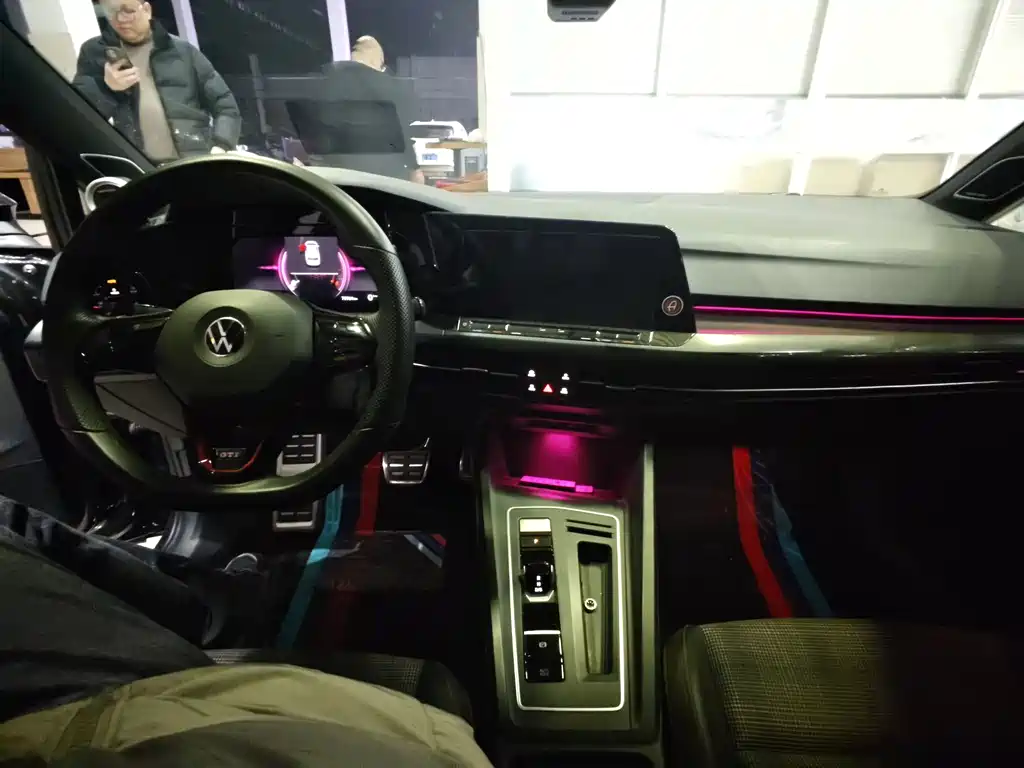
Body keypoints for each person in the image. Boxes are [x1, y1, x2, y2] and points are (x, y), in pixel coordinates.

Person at [0, 505, 492, 766]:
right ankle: (221, 607)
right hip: (119, 720)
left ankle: (220, 607)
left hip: (94, 724)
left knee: (17, 526)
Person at [72, 1, 241, 163]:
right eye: (112, 11)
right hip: (138, 167)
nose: (121, 19)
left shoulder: (184, 52)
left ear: (147, 10)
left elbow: (225, 105)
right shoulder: (96, 53)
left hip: (194, 161)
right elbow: (79, 116)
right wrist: (107, 88)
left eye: (128, 10)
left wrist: (221, 146)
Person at [291, 36, 422, 182]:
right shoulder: (389, 88)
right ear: (377, 62)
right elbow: (401, 133)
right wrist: (414, 168)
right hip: (384, 178)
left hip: (339, 177)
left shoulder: (324, 83)